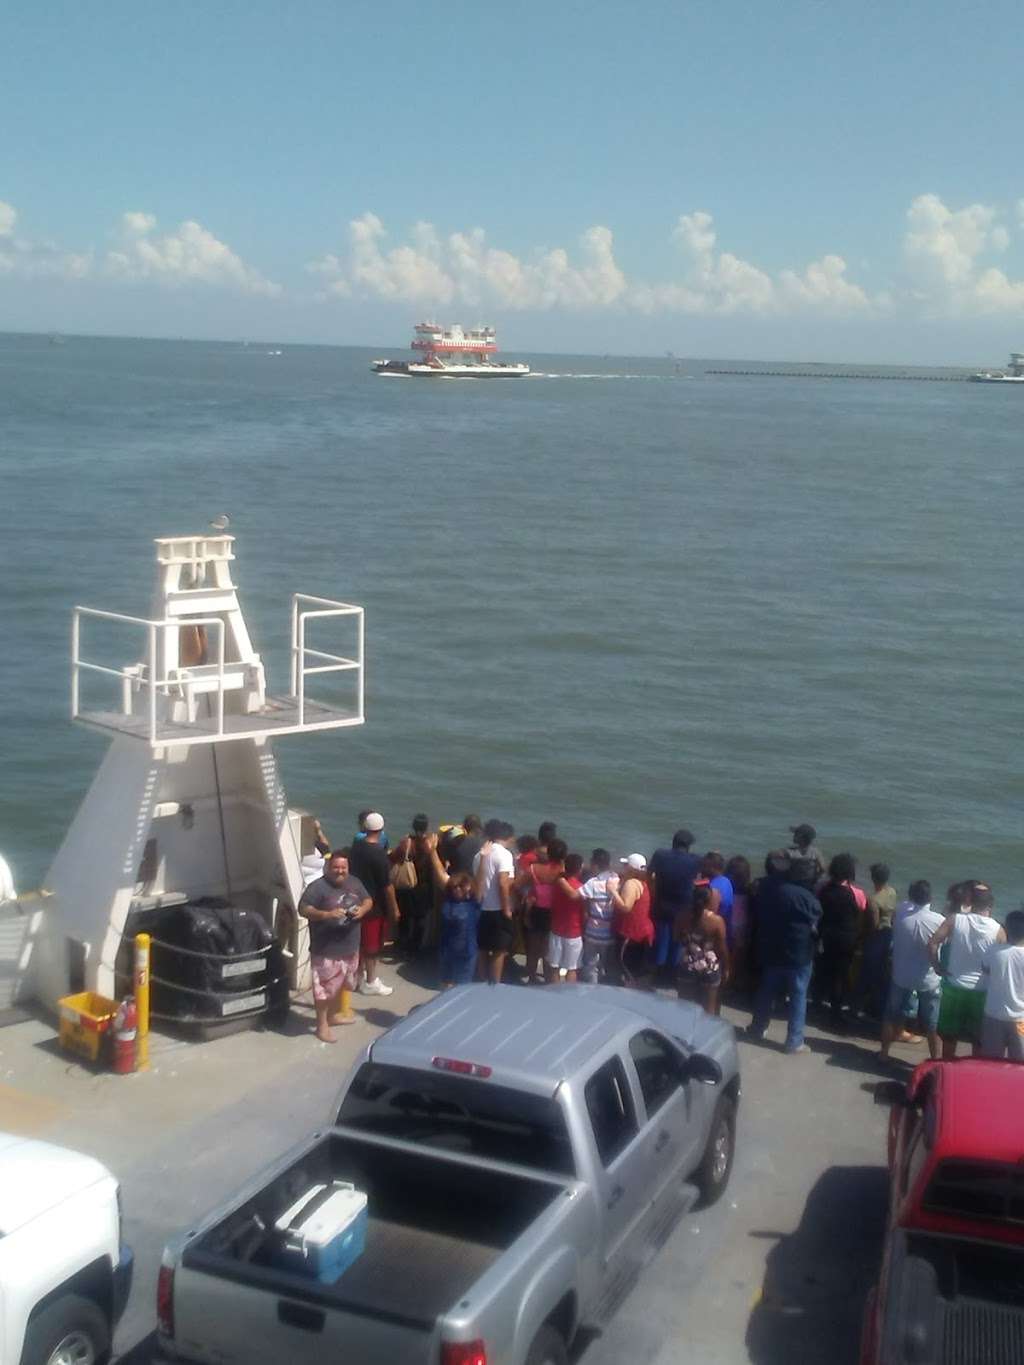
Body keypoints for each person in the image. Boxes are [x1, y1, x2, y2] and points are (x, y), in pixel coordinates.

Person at [748, 851, 822, 1054]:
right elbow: (817, 913)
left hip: (772, 947)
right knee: (798, 995)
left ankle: (757, 1027)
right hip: (798, 952)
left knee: (767, 990)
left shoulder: (769, 887)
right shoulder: (805, 896)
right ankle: (794, 1040)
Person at [298, 850, 373, 1042]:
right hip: (326, 949)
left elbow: (368, 900)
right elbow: (303, 908)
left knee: (343, 985)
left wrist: (362, 910)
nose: (340, 871)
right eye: (336, 867)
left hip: (350, 946)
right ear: (328, 868)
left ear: (348, 868)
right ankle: (322, 1026)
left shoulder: (355, 882)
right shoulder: (317, 887)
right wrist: (326, 915)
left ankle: (333, 1016)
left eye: (343, 867)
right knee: (323, 989)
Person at [930, 882, 1004, 1058]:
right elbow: (1002, 962)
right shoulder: (998, 930)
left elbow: (932, 943)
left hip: (954, 987)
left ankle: (947, 1068)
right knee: (978, 1039)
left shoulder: (955, 920)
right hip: (981, 992)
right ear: (990, 906)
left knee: (949, 1037)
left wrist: (937, 967)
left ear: (970, 901)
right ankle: (974, 1073)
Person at [879, 881, 944, 1062]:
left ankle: (884, 1053)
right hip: (927, 979)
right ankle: (935, 1061)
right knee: (932, 1025)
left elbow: (903, 907)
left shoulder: (900, 913)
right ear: (930, 898)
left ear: (910, 896)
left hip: (901, 975)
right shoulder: (939, 920)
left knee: (890, 1015)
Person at [346, 812, 396, 996]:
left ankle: (356, 978)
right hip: (374, 907)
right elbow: (387, 886)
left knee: (358, 944)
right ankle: (370, 981)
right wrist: (395, 909)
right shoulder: (380, 855)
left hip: (354, 901)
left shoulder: (355, 849)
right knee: (372, 947)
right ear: (381, 830)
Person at [814, 853, 866, 1028]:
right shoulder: (857, 894)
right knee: (840, 976)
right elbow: (862, 912)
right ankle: (836, 1013)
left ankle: (816, 1002)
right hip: (846, 939)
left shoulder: (821, 888)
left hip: (825, 936)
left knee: (822, 969)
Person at [427, 837, 482, 988]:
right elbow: (440, 874)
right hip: (447, 950)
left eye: (461, 887)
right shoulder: (449, 898)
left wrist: (483, 859)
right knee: (445, 985)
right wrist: (432, 852)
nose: (457, 889)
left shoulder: (473, 901)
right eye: (454, 887)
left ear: (468, 888)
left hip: (466, 951)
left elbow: (480, 879)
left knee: (462, 987)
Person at [648, 829, 702, 978]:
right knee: (677, 941)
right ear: (688, 846)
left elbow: (649, 875)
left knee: (661, 940)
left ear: (673, 842)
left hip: (662, 904)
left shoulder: (660, 855)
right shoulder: (695, 860)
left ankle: (656, 974)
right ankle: (671, 975)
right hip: (683, 908)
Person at [516, 837, 566, 985]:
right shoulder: (563, 871)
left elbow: (517, 885)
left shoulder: (534, 869)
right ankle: (548, 980)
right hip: (555, 913)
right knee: (548, 950)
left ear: (549, 853)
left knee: (533, 948)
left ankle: (531, 978)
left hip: (536, 910)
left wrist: (528, 896)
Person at [674, 885, 729, 1015]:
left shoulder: (682, 916)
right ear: (709, 901)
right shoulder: (716, 921)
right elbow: (722, 949)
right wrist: (726, 967)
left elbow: (676, 938)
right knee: (708, 1010)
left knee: (684, 1007)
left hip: (688, 963)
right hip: (709, 966)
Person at [473, 819, 516, 983]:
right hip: (498, 908)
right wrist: (507, 909)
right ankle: (495, 985)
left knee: (482, 947)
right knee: (499, 949)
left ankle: (482, 980)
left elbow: (478, 881)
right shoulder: (504, 854)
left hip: (481, 906)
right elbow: (503, 883)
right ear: (507, 836)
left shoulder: (479, 855)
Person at [979, 910, 1024, 1061]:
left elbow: (985, 969)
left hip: (994, 1014)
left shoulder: (993, 950)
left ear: (1006, 928)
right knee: (1019, 1066)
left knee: (991, 1062)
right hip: (1021, 1020)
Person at [857, 863, 899, 1020]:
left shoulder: (873, 900)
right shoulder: (892, 892)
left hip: (877, 938)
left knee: (866, 974)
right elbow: (893, 914)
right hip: (889, 935)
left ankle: (859, 1008)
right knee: (882, 976)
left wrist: (861, 938)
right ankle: (880, 1009)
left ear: (873, 878)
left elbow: (873, 925)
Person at [391, 814, 435, 956]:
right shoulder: (430, 843)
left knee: (405, 917)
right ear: (426, 826)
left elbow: (392, 857)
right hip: (424, 886)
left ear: (413, 826)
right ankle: (416, 947)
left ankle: (402, 945)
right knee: (420, 918)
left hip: (407, 885)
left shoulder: (407, 842)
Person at [611, 854, 654, 986]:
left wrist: (612, 891)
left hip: (630, 934)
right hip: (642, 932)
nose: (623, 868)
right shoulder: (644, 881)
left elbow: (626, 907)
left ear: (631, 868)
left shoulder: (631, 883)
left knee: (626, 968)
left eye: (626, 865)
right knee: (636, 968)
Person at [579, 849, 620, 984]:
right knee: (606, 964)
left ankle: (592, 989)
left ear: (595, 865)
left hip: (593, 931)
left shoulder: (593, 883)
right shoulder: (617, 880)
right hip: (610, 933)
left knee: (590, 965)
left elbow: (577, 895)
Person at [548, 853, 586, 984]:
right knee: (572, 969)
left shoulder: (558, 883)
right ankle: (570, 997)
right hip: (574, 931)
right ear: (580, 868)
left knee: (554, 968)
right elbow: (584, 912)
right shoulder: (581, 887)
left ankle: (553, 995)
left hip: (556, 929)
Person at [725, 855, 752, 994]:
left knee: (725, 955)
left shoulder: (727, 888)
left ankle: (725, 982)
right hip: (741, 927)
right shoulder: (749, 890)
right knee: (737, 959)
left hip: (728, 923)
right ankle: (732, 983)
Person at [701, 851, 734, 942]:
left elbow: (709, 917)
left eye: (704, 866)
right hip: (726, 931)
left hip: (716, 937)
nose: (701, 869)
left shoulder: (713, 889)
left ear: (712, 868)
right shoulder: (726, 881)